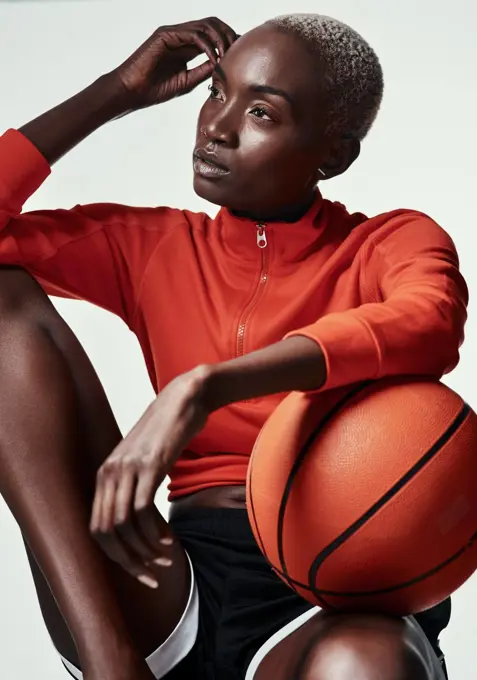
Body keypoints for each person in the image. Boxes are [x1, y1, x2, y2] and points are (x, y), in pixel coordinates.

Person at [0, 12, 468, 680]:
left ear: (331, 154)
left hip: (338, 585)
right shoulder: (154, 246)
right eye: (215, 92)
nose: (217, 127)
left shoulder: (390, 244)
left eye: (260, 113)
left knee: (360, 665)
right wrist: (114, 92)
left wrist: (207, 384)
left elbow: (426, 323)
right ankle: (110, 662)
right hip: (171, 580)